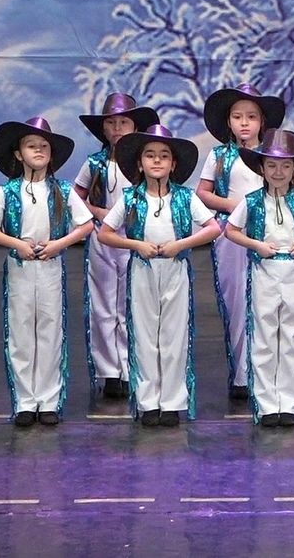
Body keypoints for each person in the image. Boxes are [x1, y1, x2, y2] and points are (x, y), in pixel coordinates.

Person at [98, 125, 219, 427]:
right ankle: (148, 402)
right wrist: (136, 244)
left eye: (163, 156)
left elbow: (213, 227)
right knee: (144, 334)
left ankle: (172, 402)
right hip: (143, 269)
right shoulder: (131, 198)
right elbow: (105, 233)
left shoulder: (184, 197)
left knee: (174, 335)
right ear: (140, 164)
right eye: (150, 155)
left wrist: (181, 244)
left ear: (173, 164)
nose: (156, 160)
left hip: (175, 269)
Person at [0, 116, 93, 427]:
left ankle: (49, 401)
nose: (39, 150)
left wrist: (59, 244)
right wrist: (17, 244)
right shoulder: (8, 191)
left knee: (50, 331)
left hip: (50, 268)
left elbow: (85, 224)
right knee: (21, 332)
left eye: (44, 146)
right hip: (21, 268)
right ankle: (25, 402)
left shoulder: (62, 190)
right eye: (32, 146)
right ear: (19, 154)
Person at [225, 130, 294, 427]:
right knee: (264, 335)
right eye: (271, 165)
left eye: (285, 166)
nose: (278, 172)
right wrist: (256, 245)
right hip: (264, 269)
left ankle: (290, 404)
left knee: (292, 336)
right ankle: (266, 404)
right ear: (261, 168)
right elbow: (231, 230)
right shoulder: (252, 201)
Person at [195, 84, 285, 400]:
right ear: (228, 122)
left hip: (269, 232)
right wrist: (237, 206)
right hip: (232, 234)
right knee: (236, 302)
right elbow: (203, 193)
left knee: (270, 301)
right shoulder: (219, 155)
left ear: (262, 122)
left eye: (251, 117)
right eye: (237, 117)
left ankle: (269, 372)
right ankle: (242, 374)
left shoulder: (273, 154)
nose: (244, 123)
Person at [73, 92, 158, 399]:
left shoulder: (141, 162)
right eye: (111, 123)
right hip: (103, 237)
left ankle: (131, 365)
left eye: (124, 122)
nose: (118, 128)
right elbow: (76, 196)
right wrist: (98, 212)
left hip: (135, 238)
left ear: (135, 127)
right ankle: (109, 370)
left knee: (132, 302)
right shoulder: (95, 163)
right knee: (104, 303)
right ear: (103, 128)